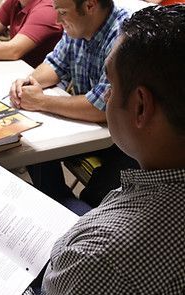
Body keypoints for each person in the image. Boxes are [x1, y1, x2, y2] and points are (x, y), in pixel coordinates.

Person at [0, 4, 185, 295]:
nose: (106, 95)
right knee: (60, 203)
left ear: (140, 107)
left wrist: (10, 292)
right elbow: (54, 63)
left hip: (90, 264)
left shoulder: (101, 257)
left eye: (110, 83)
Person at [9, 0, 142, 207]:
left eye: (62, 12)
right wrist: (29, 82)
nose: (57, 20)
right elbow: (55, 64)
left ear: (90, 6)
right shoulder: (79, 27)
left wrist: (41, 101)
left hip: (125, 142)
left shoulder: (125, 35)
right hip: (92, 130)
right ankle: (56, 200)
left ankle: (67, 207)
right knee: (29, 143)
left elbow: (101, 107)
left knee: (95, 201)